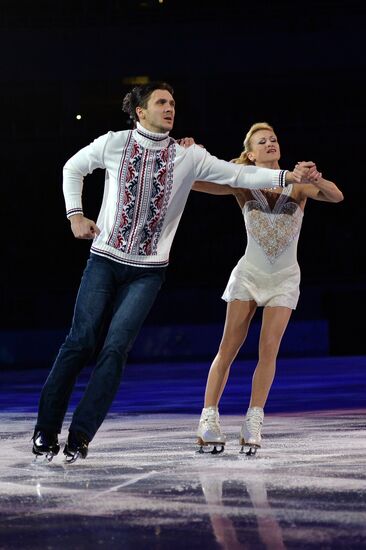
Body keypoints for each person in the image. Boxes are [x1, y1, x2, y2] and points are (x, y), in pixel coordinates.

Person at [31, 84, 317, 463]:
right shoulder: (114, 142)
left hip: (148, 273)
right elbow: (73, 167)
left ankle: (81, 436)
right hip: (104, 259)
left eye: (173, 103)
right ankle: (45, 432)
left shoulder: (189, 155)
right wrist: (75, 215)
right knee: (80, 342)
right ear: (140, 111)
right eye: (161, 103)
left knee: (115, 350)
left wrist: (286, 178)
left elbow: (239, 175)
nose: (170, 108)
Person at [193, 122, 343, 455]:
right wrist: (189, 157)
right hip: (250, 274)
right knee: (228, 347)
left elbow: (336, 196)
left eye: (274, 139)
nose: (271, 143)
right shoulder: (242, 184)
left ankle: (253, 419)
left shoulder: (298, 185)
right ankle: (208, 419)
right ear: (250, 153)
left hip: (285, 277)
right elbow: (198, 182)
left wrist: (315, 177)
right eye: (263, 141)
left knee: (269, 348)